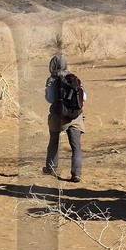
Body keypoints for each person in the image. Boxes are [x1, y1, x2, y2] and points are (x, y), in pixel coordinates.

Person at [43, 53, 84, 183]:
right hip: (75, 116)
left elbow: (50, 99)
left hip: (58, 116)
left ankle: (51, 168)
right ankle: (76, 173)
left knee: (53, 141)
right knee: (76, 146)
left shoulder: (52, 79)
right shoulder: (73, 77)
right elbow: (84, 97)